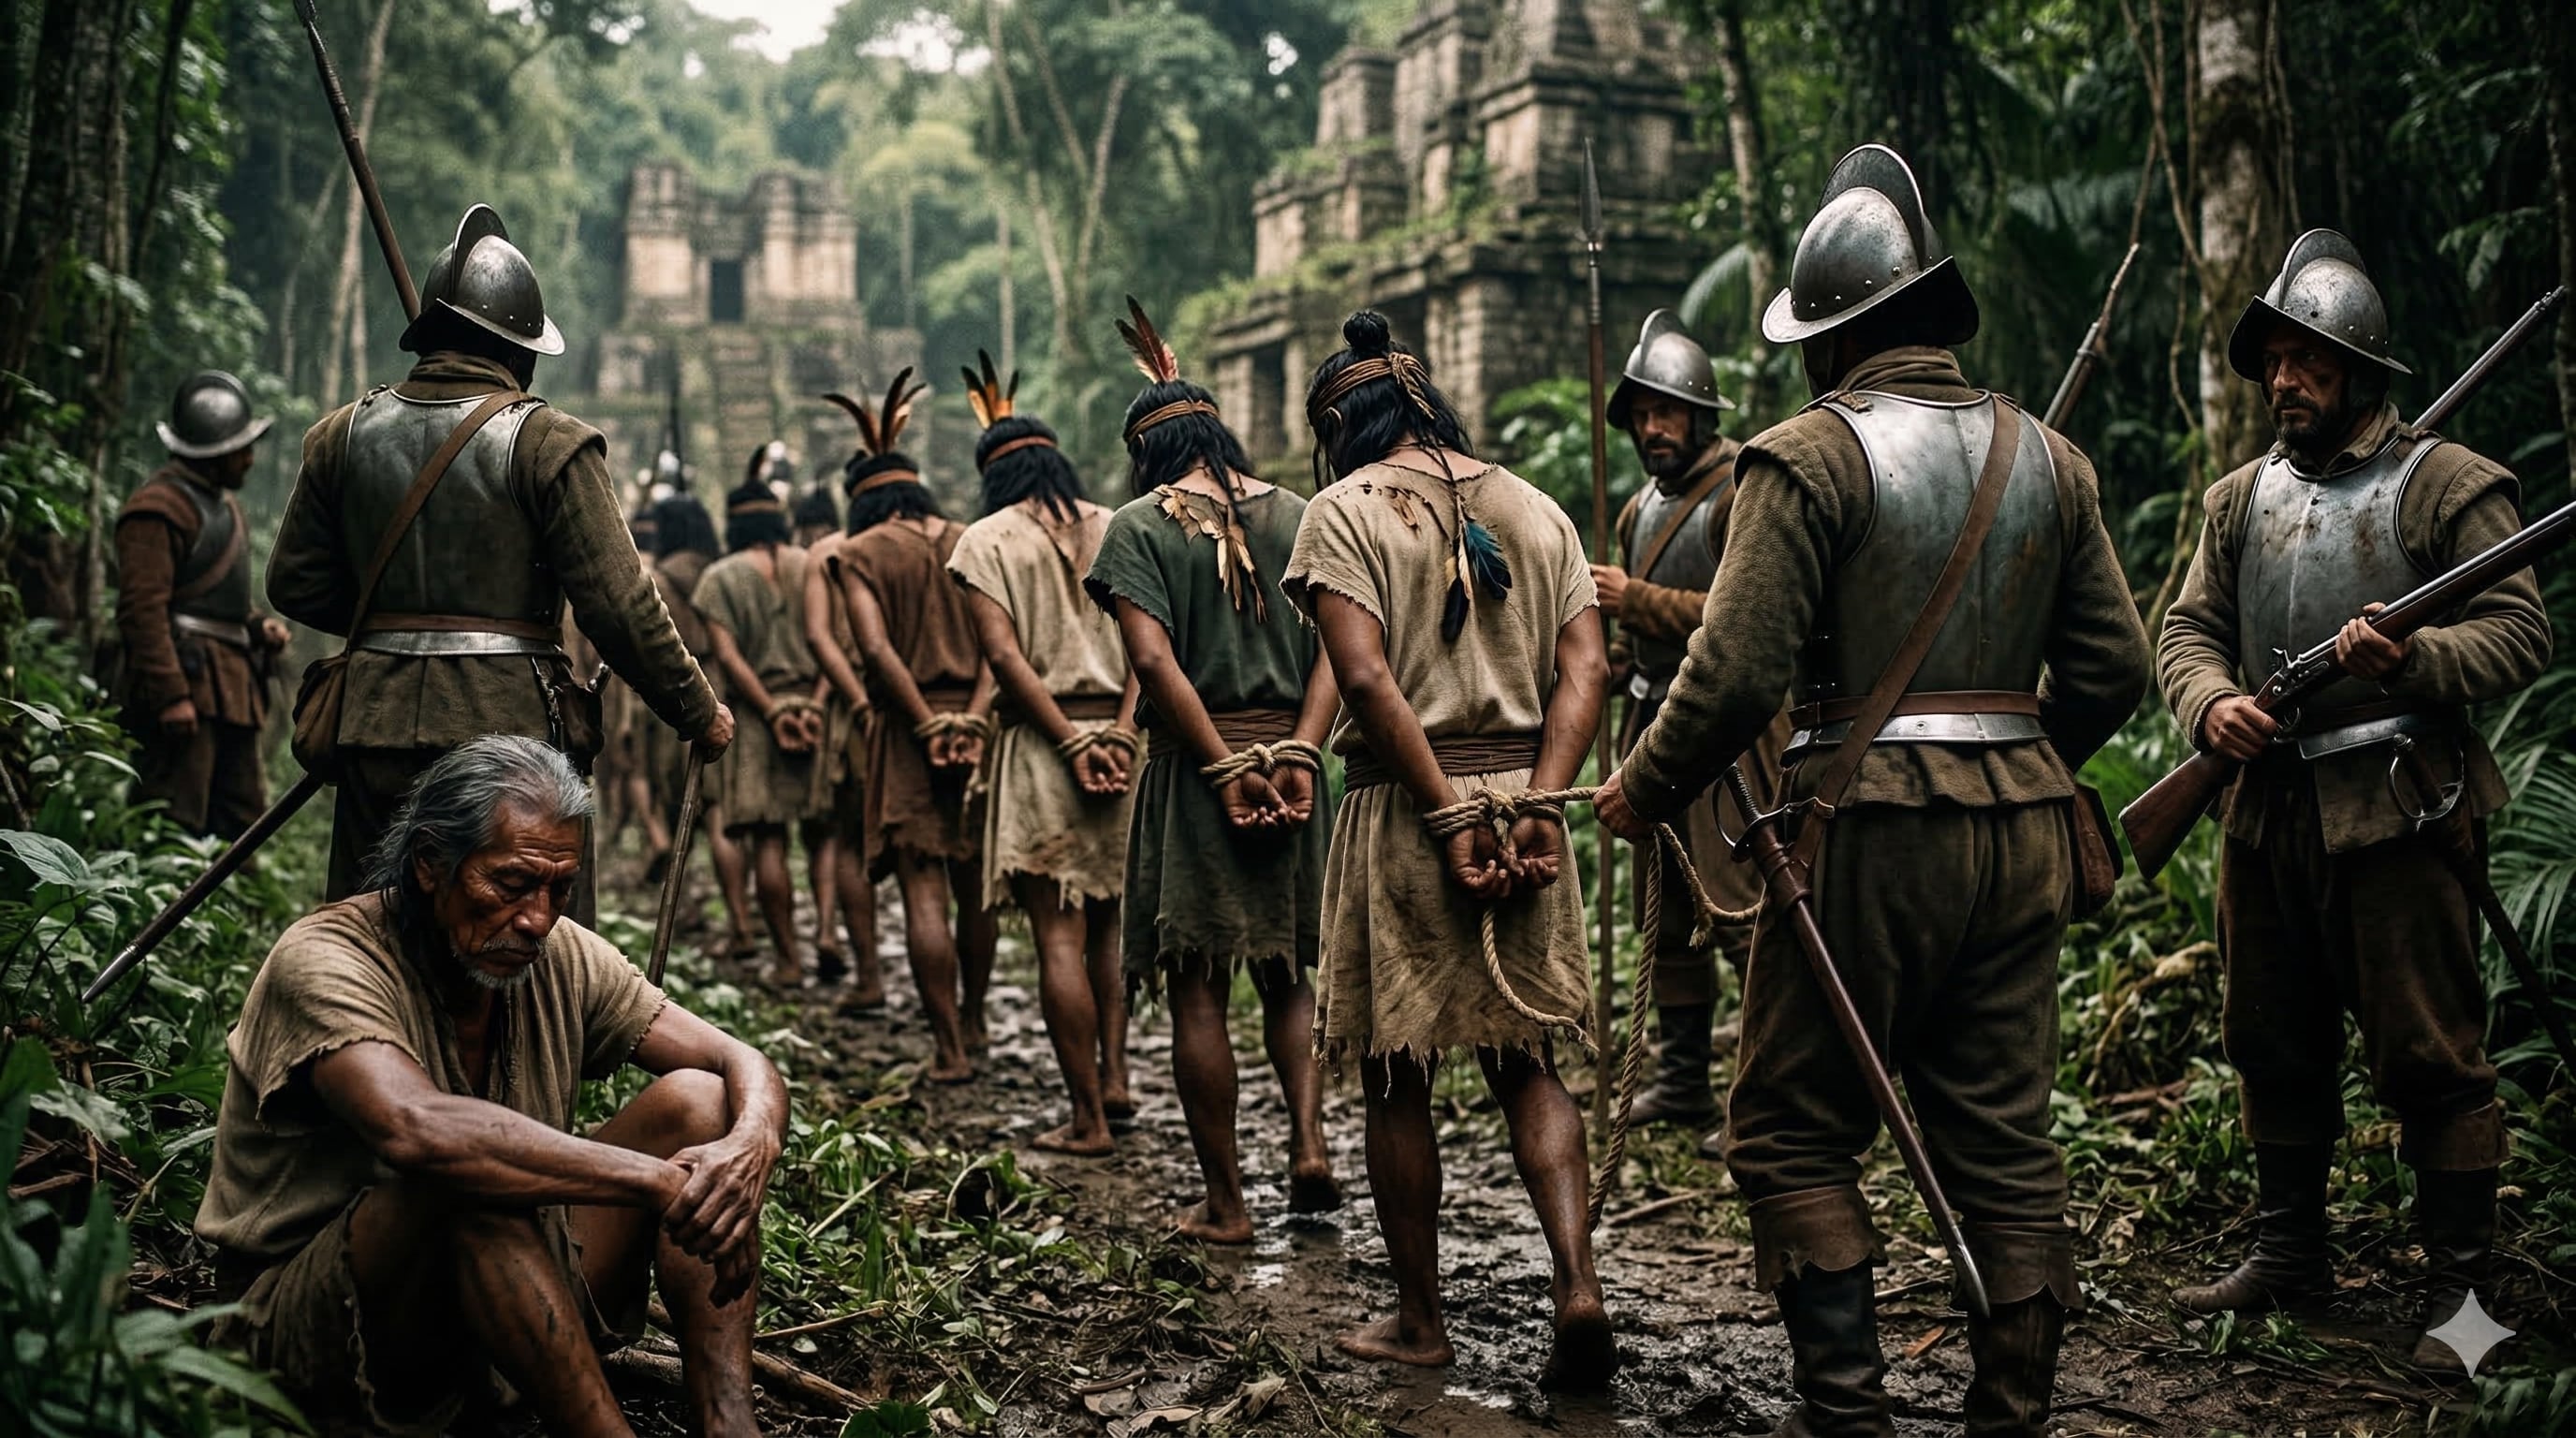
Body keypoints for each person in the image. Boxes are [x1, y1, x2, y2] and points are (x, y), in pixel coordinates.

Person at [1594, 144, 2150, 1434]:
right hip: (2024, 838)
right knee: (2005, 1148)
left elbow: (1734, 673)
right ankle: (2007, 1418)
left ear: (1826, 341)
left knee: (1789, 1131)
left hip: (1861, 834)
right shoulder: (2049, 457)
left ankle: (1845, 1416)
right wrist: (2020, 762)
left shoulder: (1803, 459)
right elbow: (2116, 669)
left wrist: (1641, 786)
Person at [2155, 229, 2549, 1367]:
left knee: (2430, 1053)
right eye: (2273, 360)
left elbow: (2518, 631)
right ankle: (2290, 1254)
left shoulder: (2448, 486)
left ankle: (2463, 1301)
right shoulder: (2238, 501)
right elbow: (2185, 633)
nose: (2284, 379)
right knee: (2270, 1038)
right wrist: (2211, 706)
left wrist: (2410, 664)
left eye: (2308, 360)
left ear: (2359, 368)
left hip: (2398, 804)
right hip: (2264, 809)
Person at [195, 735, 786, 1438]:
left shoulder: (557, 952)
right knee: (467, 1175)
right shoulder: (326, 961)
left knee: (704, 1104)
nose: (537, 918)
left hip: (498, 1299)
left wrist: (749, 1148)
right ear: (429, 866)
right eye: (508, 884)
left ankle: (728, 1423)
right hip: (311, 1333)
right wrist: (660, 1182)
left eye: (559, 888)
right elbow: (417, 1129)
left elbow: (736, 1059)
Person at [1281, 310, 1615, 1387]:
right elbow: (1587, 672)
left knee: (1394, 1077)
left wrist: (1445, 812)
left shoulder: (1342, 513)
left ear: (1343, 426)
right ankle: (1577, 1283)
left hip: (1402, 806)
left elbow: (1367, 683)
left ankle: (1421, 1321)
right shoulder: (1535, 506)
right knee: (1528, 1061)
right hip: (1529, 797)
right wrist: (1536, 804)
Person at [268, 205, 731, 902]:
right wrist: (696, 708)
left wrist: (394, 615)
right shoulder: (550, 442)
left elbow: (295, 584)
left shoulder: (341, 434)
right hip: (512, 736)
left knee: (378, 944)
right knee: (528, 954)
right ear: (520, 353)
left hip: (375, 728)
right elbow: (618, 604)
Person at [1083, 305, 1339, 1241]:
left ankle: (1229, 1202)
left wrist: (1225, 766)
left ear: (1143, 457)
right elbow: (1340, 655)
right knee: (1286, 974)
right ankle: (1309, 1147)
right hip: (1297, 766)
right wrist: (1302, 754)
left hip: (1198, 774)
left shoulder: (1136, 529)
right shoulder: (1303, 516)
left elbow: (1153, 666)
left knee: (1198, 982)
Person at [1588, 309, 1785, 1142]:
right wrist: (1622, 647)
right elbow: (1635, 633)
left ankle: (1767, 1095)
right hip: (1656, 722)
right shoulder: (1637, 511)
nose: (1652, 428)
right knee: (1664, 914)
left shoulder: (1740, 492)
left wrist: (1637, 603)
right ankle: (1681, 1080)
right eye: (1640, 415)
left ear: (1701, 414)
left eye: (1666, 411)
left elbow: (1744, 621)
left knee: (1740, 914)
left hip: (1730, 730)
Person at [949, 354, 1137, 1154]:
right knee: (1110, 928)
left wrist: (1069, 742)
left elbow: (1004, 661)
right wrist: (1123, 733)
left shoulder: (986, 540)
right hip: (1129, 746)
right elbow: (1148, 652)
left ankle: (1089, 1116)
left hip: (1040, 745)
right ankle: (1121, 1076)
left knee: (1058, 936)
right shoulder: (1118, 525)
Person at [833, 388, 999, 1080]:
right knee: (975, 882)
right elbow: (1003, 644)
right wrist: (977, 716)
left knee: (923, 890)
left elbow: (873, 650)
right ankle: (978, 1017)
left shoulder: (861, 552)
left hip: (907, 730)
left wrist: (928, 722)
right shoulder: (972, 538)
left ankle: (949, 1051)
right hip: (982, 723)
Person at [114, 371, 289, 838]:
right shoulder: (158, 507)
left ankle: (235, 912)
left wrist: (255, 626)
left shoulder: (224, 508)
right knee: (175, 820)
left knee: (241, 821)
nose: (250, 458)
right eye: (241, 448)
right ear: (215, 455)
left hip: (229, 686)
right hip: (188, 685)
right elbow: (142, 611)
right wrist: (171, 695)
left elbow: (215, 604)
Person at [694, 460, 830, 990]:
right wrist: (815, 705)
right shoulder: (814, 564)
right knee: (825, 837)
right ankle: (827, 934)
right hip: (818, 712)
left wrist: (773, 712)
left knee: (769, 841)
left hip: (757, 718)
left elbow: (728, 659)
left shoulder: (718, 579)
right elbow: (832, 643)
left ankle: (790, 960)